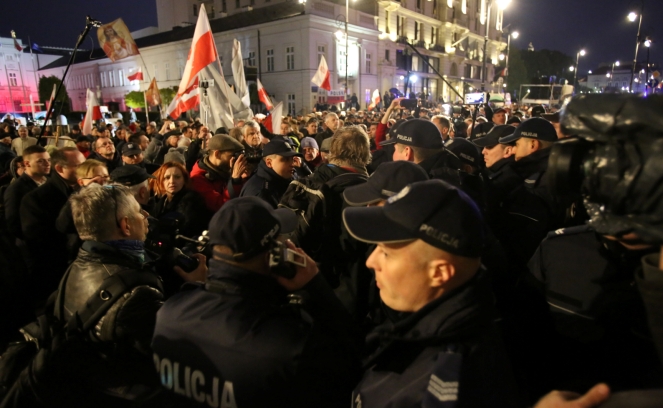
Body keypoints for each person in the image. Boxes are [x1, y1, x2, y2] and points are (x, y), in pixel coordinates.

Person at [151, 197, 362, 407]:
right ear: (274, 254)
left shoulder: (168, 314)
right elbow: (351, 369)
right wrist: (316, 286)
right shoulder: (289, 345)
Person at [344, 179, 518, 407]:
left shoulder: (439, 388)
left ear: (440, 273)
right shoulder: (429, 321)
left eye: (386, 253)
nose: (370, 261)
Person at [45, 183, 204, 405]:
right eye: (139, 211)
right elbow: (175, 350)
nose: (146, 215)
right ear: (126, 225)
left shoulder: (77, 265)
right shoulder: (136, 294)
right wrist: (197, 287)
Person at [20, 147, 85, 305]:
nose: (84, 170)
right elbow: (37, 239)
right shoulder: (35, 199)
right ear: (59, 168)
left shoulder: (83, 190)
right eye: (78, 166)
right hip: (56, 273)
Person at [189, 134, 247, 213]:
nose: (235, 159)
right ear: (217, 154)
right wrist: (235, 181)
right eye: (233, 155)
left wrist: (245, 178)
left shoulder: (222, 170)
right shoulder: (198, 179)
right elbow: (220, 206)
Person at [152, 161, 210, 238]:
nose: (172, 181)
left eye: (177, 177)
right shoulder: (160, 200)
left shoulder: (191, 200)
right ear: (161, 181)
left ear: (184, 180)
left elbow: (185, 230)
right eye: (167, 177)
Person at [4, 145, 50, 240]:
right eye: (41, 161)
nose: (47, 164)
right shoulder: (16, 189)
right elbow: (13, 223)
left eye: (48, 160)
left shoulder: (50, 181)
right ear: (27, 164)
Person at [240, 139, 301, 208]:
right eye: (285, 159)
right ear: (269, 163)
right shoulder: (260, 192)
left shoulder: (285, 178)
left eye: (292, 159)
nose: (292, 164)